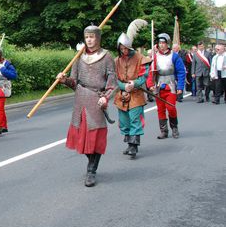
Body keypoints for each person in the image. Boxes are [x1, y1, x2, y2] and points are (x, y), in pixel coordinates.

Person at [57, 25, 117, 187]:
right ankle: (91, 162)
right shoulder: (79, 57)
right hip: (80, 100)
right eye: (87, 37)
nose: (89, 40)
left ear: (98, 38)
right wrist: (64, 80)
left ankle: (91, 170)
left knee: (95, 137)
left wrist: (105, 98)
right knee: (82, 138)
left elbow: (112, 83)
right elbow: (74, 82)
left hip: (96, 99)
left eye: (92, 37)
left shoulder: (107, 57)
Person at [114, 27, 151, 159]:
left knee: (135, 119)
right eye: (121, 48)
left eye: (125, 48)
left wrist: (134, 83)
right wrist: (123, 85)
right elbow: (114, 79)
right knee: (124, 121)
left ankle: (133, 146)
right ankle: (129, 144)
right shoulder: (116, 61)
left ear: (129, 47)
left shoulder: (140, 58)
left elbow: (144, 76)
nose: (124, 51)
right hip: (122, 95)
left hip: (136, 94)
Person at [147, 33, 186, 139]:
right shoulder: (155, 57)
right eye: (160, 43)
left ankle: (174, 128)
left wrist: (180, 87)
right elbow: (151, 72)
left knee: (171, 107)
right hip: (159, 86)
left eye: (163, 43)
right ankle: (164, 131)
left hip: (171, 85)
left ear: (167, 43)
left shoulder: (174, 56)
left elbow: (181, 72)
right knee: (160, 109)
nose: (161, 45)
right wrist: (150, 84)